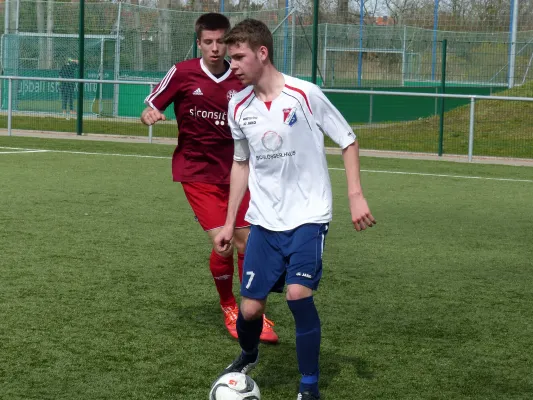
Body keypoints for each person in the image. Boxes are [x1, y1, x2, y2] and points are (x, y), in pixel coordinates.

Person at [214, 19, 376, 400]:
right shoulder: (237, 105)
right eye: (229, 57)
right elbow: (241, 163)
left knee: (298, 295)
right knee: (251, 310)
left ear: (262, 53)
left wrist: (355, 195)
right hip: (264, 222)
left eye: (238, 57)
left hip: (308, 216)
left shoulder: (305, 94)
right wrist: (228, 222)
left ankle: (309, 387)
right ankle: (248, 354)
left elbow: (348, 140)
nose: (230, 64)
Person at [140, 13, 278, 343]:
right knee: (225, 242)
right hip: (197, 173)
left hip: (237, 171)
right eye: (208, 42)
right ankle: (229, 306)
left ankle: (251, 309)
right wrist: (149, 113)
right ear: (198, 42)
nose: (215, 49)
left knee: (249, 240)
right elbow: (152, 103)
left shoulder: (241, 75)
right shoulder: (183, 72)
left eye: (221, 42)